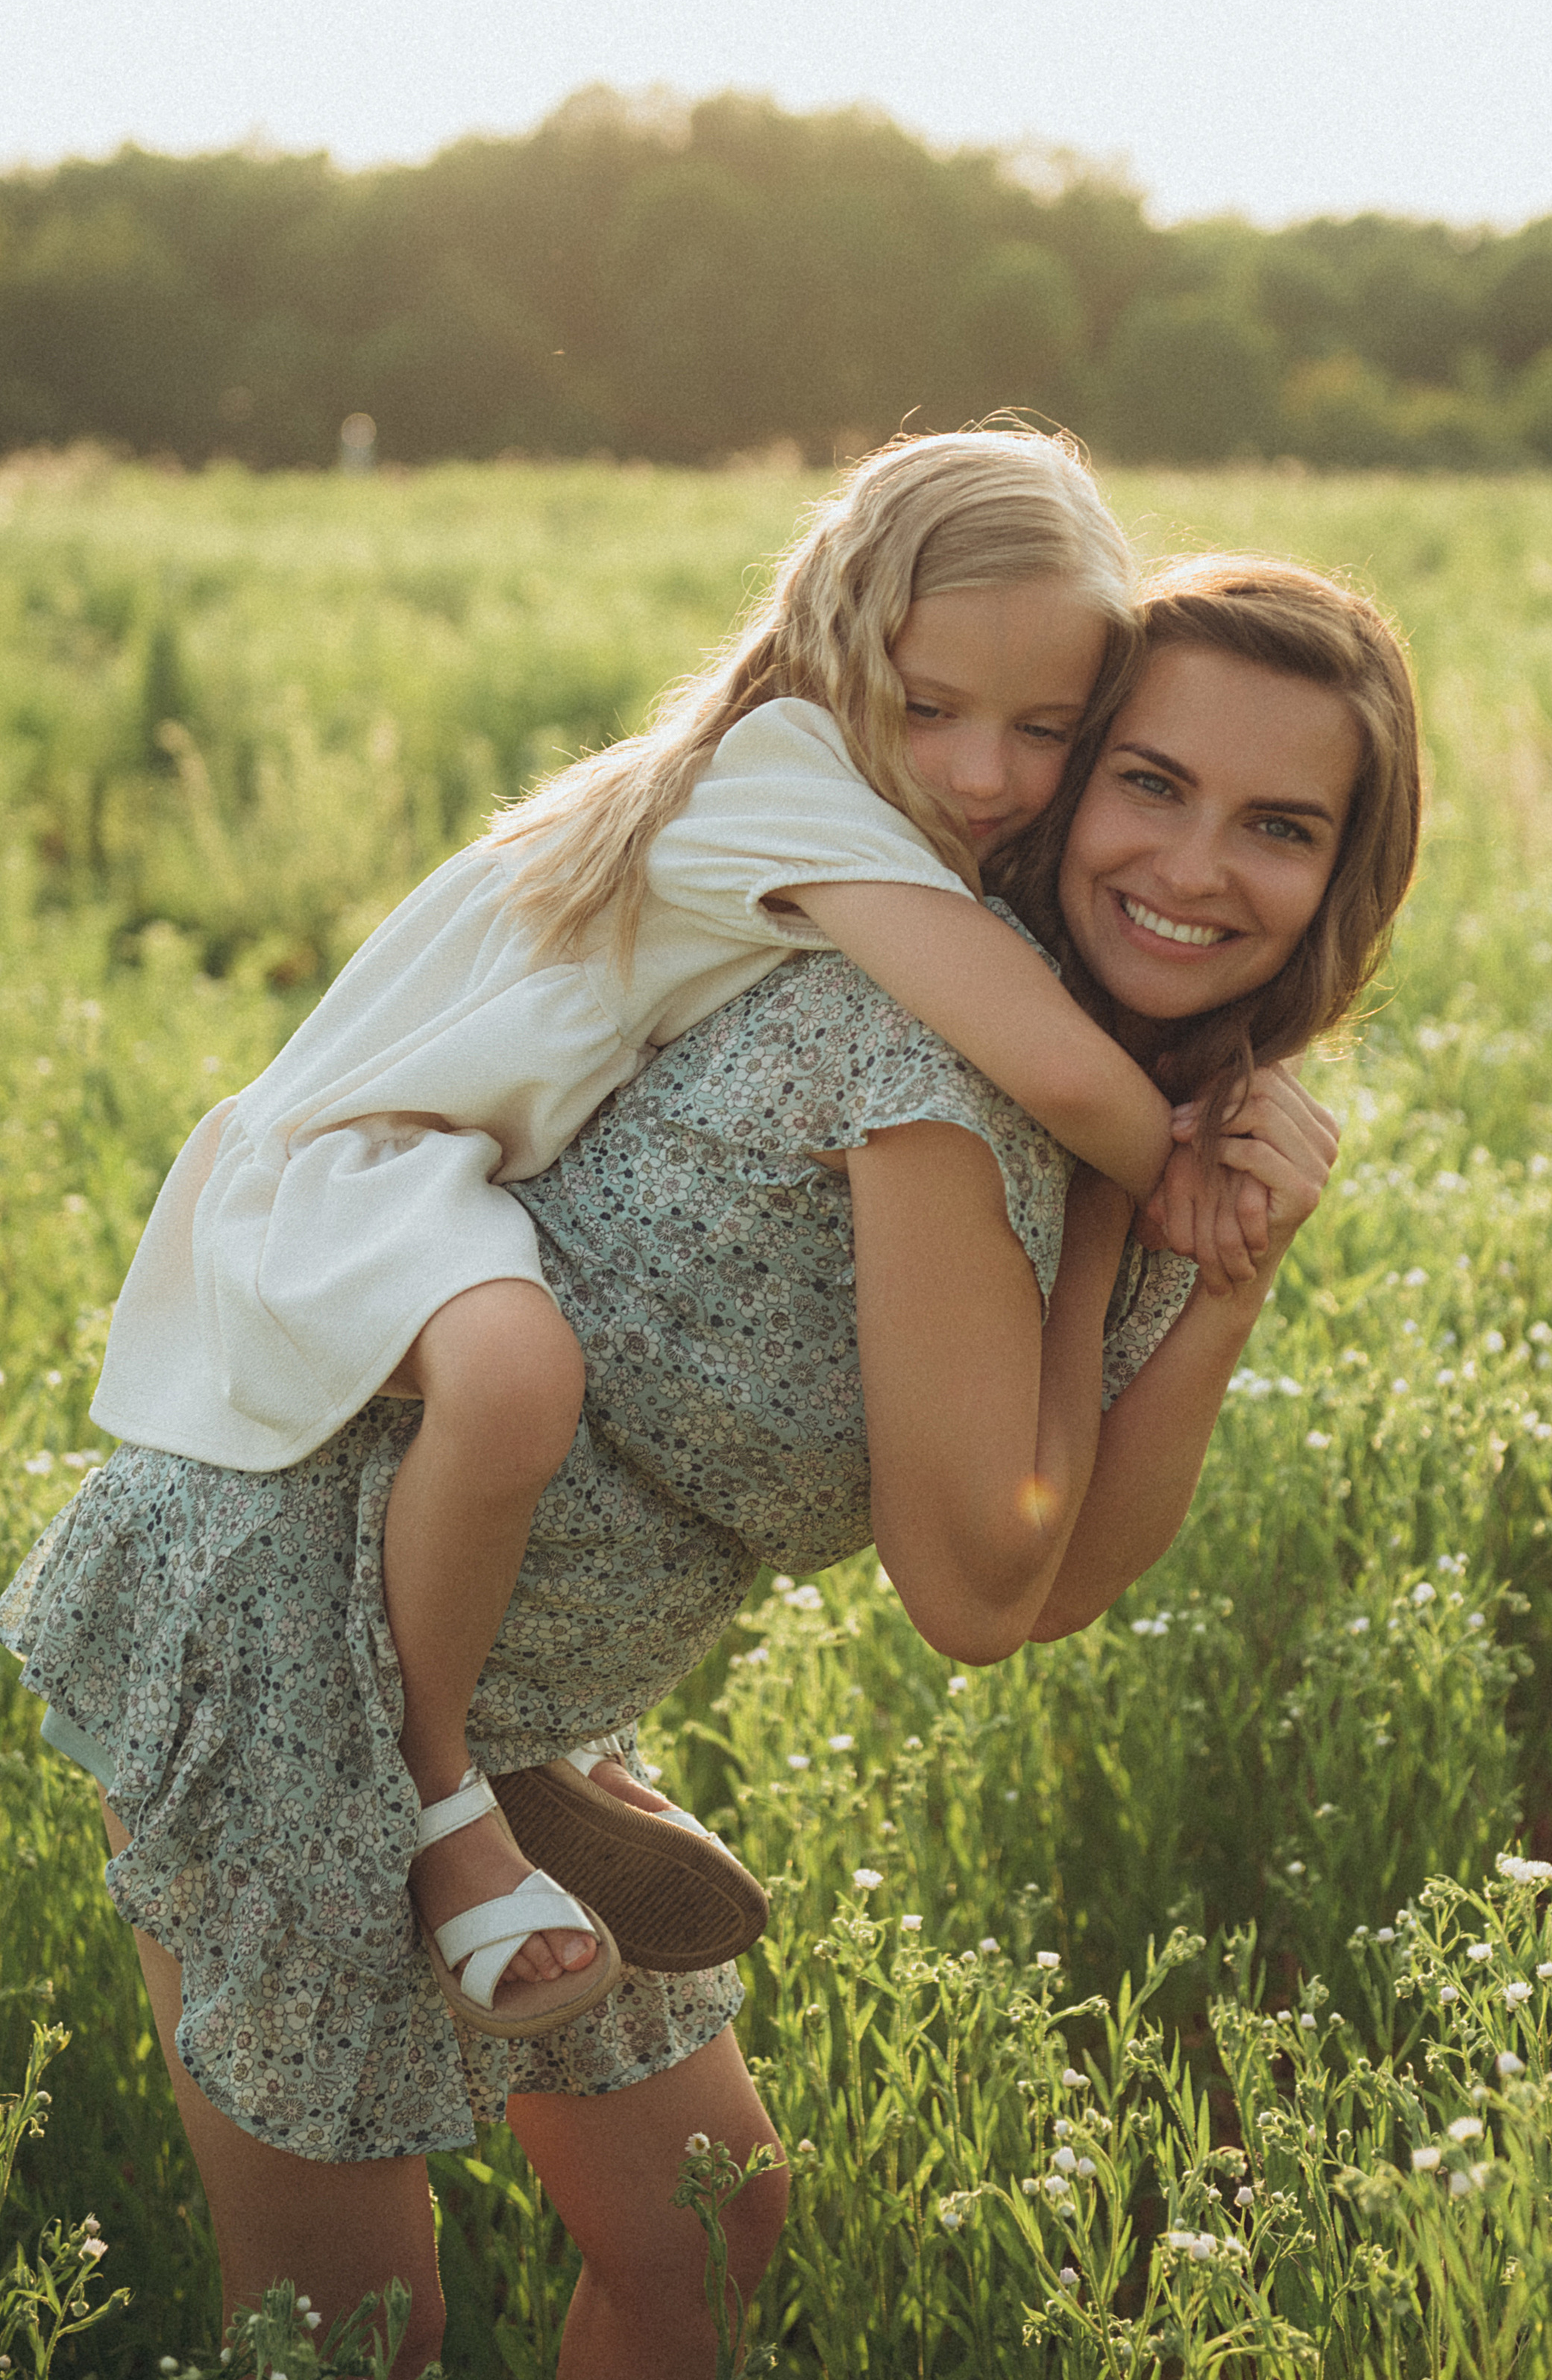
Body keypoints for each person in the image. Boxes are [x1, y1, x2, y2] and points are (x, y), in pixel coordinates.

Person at [1, 551, 1422, 2379]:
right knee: (344, 2323)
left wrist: (1220, 1277)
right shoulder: (925, 1041)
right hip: (302, 1600)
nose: (1193, 865)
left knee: (705, 2221)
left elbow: (1069, 1576)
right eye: (1148, 783)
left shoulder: (1118, 1086)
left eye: (1278, 824)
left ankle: (516, 1785)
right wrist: (1108, 1234)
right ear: (1071, 788)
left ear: (1339, 875)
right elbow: (980, 1595)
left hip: (520, 1698)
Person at [81, 427, 1190, 2033]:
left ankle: (549, 1748)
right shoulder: (789, 785)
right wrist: (1197, 1155)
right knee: (519, 1377)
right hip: (357, 1168)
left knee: (533, 1361)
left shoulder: (864, 804)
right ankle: (444, 1790)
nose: (979, 775)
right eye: (928, 704)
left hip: (462, 1172)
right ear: (831, 649)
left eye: (1046, 731)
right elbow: (1050, 1066)